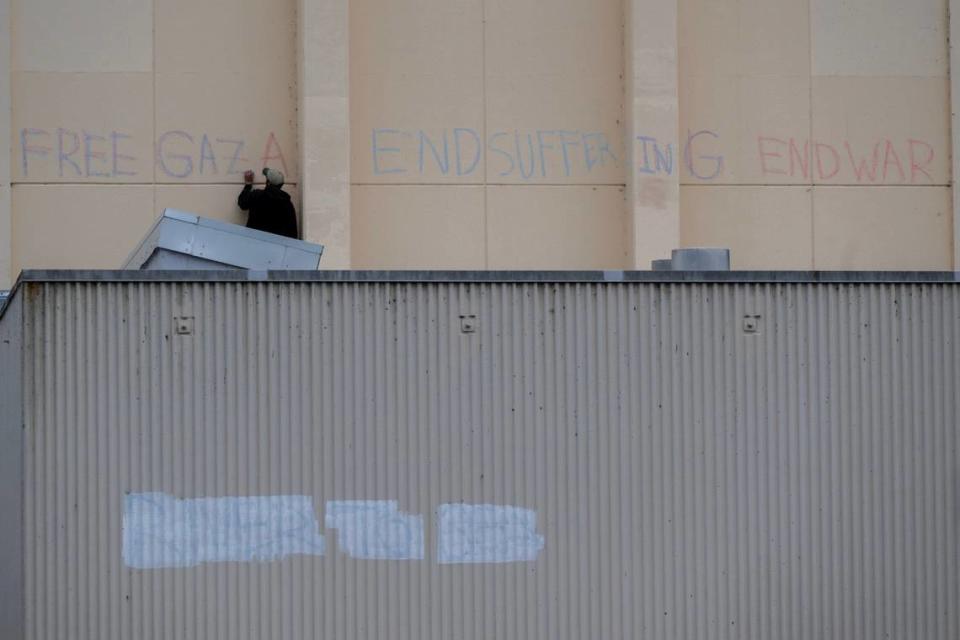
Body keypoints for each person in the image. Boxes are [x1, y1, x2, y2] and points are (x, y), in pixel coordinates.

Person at [238, 167, 299, 239]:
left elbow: (242, 203)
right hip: (276, 246)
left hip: (255, 242)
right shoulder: (287, 204)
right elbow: (293, 232)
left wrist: (248, 185)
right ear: (281, 184)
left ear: (268, 182)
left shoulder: (257, 196)